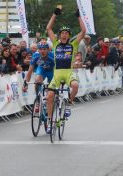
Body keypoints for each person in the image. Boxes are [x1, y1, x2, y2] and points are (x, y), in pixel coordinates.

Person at [45, 5, 86, 133]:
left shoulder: (73, 44)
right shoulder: (56, 44)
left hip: (68, 72)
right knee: (50, 95)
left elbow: (83, 32)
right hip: (57, 74)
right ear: (59, 35)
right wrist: (55, 14)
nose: (64, 35)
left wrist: (79, 17)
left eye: (66, 33)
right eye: (62, 33)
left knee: (75, 85)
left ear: (69, 36)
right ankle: (50, 121)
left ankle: (69, 102)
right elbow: (48, 28)